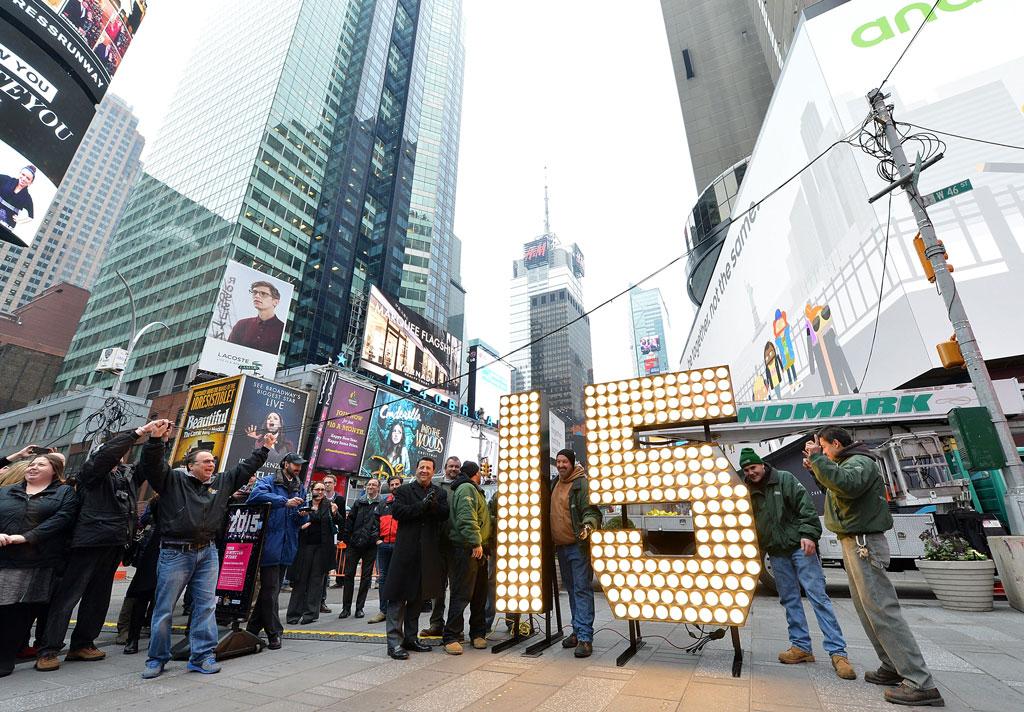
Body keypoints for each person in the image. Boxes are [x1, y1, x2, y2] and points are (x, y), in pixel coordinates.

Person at [806, 426, 944, 707]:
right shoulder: (850, 463)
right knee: (868, 610)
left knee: (881, 609)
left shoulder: (859, 461)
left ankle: (919, 682)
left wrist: (819, 461)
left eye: (823, 446)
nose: (821, 451)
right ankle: (892, 666)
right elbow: (839, 490)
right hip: (855, 540)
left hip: (863, 541)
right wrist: (816, 468)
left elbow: (847, 485)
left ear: (834, 443)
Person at [138, 423, 272, 679]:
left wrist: (264, 448)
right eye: (205, 461)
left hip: (207, 552)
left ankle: (202, 656)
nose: (211, 464)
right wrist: (155, 440)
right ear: (190, 466)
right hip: (174, 553)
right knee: (165, 608)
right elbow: (152, 465)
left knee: (206, 606)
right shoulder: (172, 480)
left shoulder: (222, 483)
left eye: (213, 461)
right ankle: (157, 658)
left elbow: (245, 469)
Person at [35, 421, 164, 671]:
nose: (119, 455)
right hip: (87, 542)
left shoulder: (126, 476)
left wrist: (157, 441)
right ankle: (49, 648)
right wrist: (138, 433)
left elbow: (148, 464)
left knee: (98, 598)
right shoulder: (91, 474)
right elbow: (106, 455)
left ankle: (83, 643)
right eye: (114, 451)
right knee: (67, 597)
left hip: (114, 542)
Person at [739, 448, 855, 680]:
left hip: (800, 547)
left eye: (753, 467)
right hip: (776, 551)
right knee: (789, 599)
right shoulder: (747, 492)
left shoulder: (784, 479)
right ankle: (801, 647)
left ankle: (838, 653)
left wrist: (809, 535)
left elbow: (806, 507)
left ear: (761, 465)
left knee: (817, 597)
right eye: (746, 470)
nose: (750, 472)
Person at [0, 454, 77, 678]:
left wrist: (26, 537)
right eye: (31, 464)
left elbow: (61, 520)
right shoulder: (7, 491)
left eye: (40, 464)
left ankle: (5, 658)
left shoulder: (64, 493)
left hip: (36, 562)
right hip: (3, 557)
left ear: (55, 471)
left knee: (18, 613)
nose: (33, 467)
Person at [381, 457, 449, 660]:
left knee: (417, 599)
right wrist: (422, 505)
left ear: (433, 471)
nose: (424, 471)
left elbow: (444, 514)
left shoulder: (440, 492)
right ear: (416, 469)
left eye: (428, 468)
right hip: (405, 552)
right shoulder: (402, 491)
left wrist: (433, 505)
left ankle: (411, 638)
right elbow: (399, 513)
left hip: (427, 554)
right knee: (398, 597)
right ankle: (393, 643)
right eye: (421, 467)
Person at [245, 452, 307, 649]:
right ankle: (274, 632)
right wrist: (283, 502)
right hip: (270, 543)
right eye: (295, 464)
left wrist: (303, 515)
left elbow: (297, 520)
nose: (298, 468)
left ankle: (252, 630)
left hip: (288, 545)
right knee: (271, 589)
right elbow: (255, 496)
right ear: (285, 464)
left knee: (270, 590)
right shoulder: (269, 481)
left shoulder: (300, 487)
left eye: (300, 465)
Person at [550, 449, 601, 658]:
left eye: (564, 462)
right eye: (558, 462)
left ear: (572, 463)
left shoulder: (581, 484)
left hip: (577, 548)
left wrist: (588, 526)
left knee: (581, 590)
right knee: (572, 590)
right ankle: (577, 631)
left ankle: (585, 638)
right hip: (561, 548)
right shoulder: (554, 483)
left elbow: (591, 511)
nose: (561, 465)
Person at [442, 461, 492, 655]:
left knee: (480, 594)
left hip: (477, 549)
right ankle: (451, 636)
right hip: (467, 549)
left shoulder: (473, 489)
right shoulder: (466, 489)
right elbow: (466, 517)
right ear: (476, 473)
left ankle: (477, 633)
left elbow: (481, 517)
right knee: (462, 594)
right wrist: (475, 542)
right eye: (480, 473)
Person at [421, 455, 461, 637]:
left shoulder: (463, 487)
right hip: (438, 543)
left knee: (456, 588)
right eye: (451, 466)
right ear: (445, 468)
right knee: (438, 588)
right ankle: (436, 624)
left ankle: (455, 628)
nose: (453, 469)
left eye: (457, 467)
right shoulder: (435, 488)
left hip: (457, 544)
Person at [286, 482, 337, 624]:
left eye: (322, 489)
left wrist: (335, 512)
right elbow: (293, 521)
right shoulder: (303, 503)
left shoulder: (329, 505)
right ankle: (294, 614)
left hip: (322, 548)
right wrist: (301, 523)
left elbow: (339, 521)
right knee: (300, 580)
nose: (320, 491)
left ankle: (310, 614)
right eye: (317, 489)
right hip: (304, 547)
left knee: (316, 581)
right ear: (312, 490)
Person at [123, 496, 161, 654]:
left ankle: (153, 638)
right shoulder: (159, 500)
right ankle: (132, 638)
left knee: (160, 599)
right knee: (142, 596)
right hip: (155, 548)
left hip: (172, 550)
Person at [339, 479, 381, 619]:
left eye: (374, 485)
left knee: (366, 577)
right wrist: (348, 539)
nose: (371, 487)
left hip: (370, 546)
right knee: (348, 575)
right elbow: (349, 521)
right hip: (354, 544)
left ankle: (359, 608)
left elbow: (380, 524)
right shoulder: (358, 502)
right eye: (369, 485)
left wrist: (374, 539)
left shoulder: (381, 504)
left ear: (378, 488)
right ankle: (346, 608)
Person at [368, 475, 402, 624]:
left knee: (398, 578)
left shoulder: (406, 502)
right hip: (383, 546)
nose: (395, 486)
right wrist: (377, 540)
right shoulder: (382, 504)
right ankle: (383, 610)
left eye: (397, 484)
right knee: (383, 578)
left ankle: (396, 611)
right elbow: (374, 524)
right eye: (392, 484)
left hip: (399, 546)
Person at [227, 281, 285, 354]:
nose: (256, 296)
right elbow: (229, 350)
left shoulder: (283, 329)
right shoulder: (241, 324)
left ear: (275, 302)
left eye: (263, 294)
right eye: (254, 292)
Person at [322, 474, 346, 595]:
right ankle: (325, 584)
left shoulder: (340, 499)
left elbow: (342, 520)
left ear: (335, 484)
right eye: (325, 482)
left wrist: (341, 537)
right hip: (321, 534)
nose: (327, 485)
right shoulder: (320, 497)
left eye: (329, 482)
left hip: (334, 534)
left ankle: (339, 580)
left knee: (337, 558)